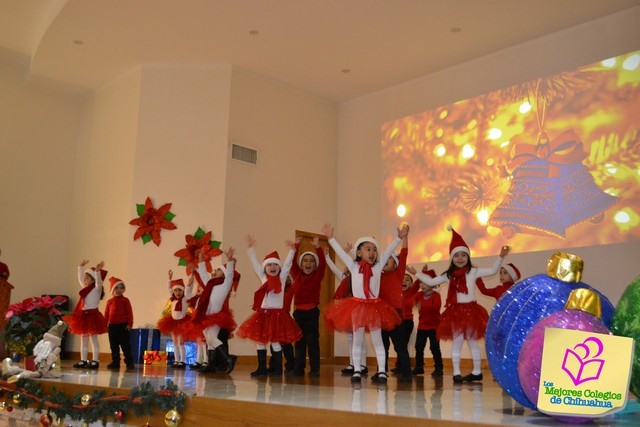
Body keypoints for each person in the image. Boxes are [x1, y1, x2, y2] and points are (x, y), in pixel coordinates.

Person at [415, 226, 510, 383]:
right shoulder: (448, 275)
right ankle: (457, 372)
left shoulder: (473, 272)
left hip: (471, 311)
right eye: (456, 255)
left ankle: (477, 371)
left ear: (468, 256)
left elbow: (492, 270)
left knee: (473, 343)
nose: (460, 258)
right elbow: (431, 282)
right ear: (452, 258)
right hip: (456, 312)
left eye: (463, 255)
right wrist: (416, 273)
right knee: (457, 343)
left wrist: (500, 256)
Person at [323, 223, 409, 385]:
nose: (372, 252)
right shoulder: (353, 266)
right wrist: (331, 239)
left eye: (374, 249)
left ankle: (382, 371)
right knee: (357, 339)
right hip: (357, 308)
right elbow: (341, 253)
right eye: (368, 249)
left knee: (377, 341)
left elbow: (389, 250)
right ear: (358, 252)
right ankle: (357, 369)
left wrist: (399, 238)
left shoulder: (377, 268)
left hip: (375, 308)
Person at [236, 235, 302, 377]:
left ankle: (277, 369)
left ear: (280, 267)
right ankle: (261, 368)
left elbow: (288, 265)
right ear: (265, 268)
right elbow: (254, 263)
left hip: (278, 315)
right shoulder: (263, 277)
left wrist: (292, 250)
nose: (273, 267)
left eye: (275, 265)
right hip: (263, 314)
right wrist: (250, 248)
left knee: (276, 343)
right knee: (260, 342)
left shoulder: (282, 277)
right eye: (269, 265)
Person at [193, 247, 239, 374]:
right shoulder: (210, 284)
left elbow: (230, 275)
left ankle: (229, 359)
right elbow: (203, 274)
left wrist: (230, 261)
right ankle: (211, 364)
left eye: (218, 270)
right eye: (214, 269)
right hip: (204, 315)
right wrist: (201, 259)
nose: (214, 271)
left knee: (213, 337)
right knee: (208, 340)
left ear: (223, 273)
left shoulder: (225, 285)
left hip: (215, 316)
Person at [326, 249, 369, 376]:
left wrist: (351, 252)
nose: (346, 270)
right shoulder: (344, 278)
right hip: (348, 311)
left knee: (360, 338)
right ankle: (353, 363)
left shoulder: (360, 277)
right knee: (351, 338)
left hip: (359, 310)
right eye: (346, 269)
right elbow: (334, 269)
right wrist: (327, 257)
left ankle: (363, 364)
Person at [290, 236, 326, 377]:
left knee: (312, 342)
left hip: (312, 312)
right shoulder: (297, 274)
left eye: (311, 261)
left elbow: (322, 263)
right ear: (301, 264)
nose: (308, 263)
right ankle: (298, 368)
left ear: (315, 265)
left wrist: (317, 247)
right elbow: (293, 263)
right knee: (299, 342)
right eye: (305, 260)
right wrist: (297, 246)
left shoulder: (317, 275)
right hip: (298, 313)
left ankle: (315, 368)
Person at [378, 233, 412, 383]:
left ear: (396, 264)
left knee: (400, 346)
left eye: (389, 258)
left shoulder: (398, 274)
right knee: (382, 346)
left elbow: (404, 254)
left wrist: (404, 237)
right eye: (384, 258)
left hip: (396, 316)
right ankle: (381, 372)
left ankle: (406, 373)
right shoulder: (378, 276)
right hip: (381, 315)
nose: (385, 260)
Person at [64, 260, 108, 369]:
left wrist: (97, 272)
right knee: (83, 339)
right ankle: (83, 360)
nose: (85, 280)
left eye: (87, 278)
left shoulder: (97, 289)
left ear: (93, 279)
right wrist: (80, 267)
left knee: (93, 339)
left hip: (92, 315)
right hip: (84, 316)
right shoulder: (85, 289)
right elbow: (80, 279)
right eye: (85, 278)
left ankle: (95, 360)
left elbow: (99, 282)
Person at [407, 265, 443, 377]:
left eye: (425, 282)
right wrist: (415, 303)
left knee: (434, 347)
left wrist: (421, 304)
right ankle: (419, 367)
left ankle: (438, 368)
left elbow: (435, 308)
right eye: (420, 283)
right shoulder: (419, 294)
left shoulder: (436, 296)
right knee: (419, 347)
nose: (422, 285)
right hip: (422, 326)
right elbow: (409, 303)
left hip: (434, 327)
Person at [157, 270, 194, 369]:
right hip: (173, 323)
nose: (178, 292)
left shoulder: (185, 299)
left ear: (183, 291)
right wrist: (169, 278)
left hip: (182, 323)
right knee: (175, 343)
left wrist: (190, 281)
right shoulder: (172, 299)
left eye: (180, 290)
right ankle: (177, 360)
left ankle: (182, 361)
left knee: (181, 343)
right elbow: (169, 288)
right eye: (176, 290)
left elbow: (189, 290)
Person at [103, 276, 135, 370]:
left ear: (124, 290)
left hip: (123, 326)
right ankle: (115, 361)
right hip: (112, 327)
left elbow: (130, 313)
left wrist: (130, 324)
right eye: (116, 288)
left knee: (125, 346)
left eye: (121, 288)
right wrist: (105, 325)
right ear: (112, 289)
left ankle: (129, 362)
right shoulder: (109, 302)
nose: (119, 290)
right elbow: (106, 314)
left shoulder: (125, 300)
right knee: (113, 346)